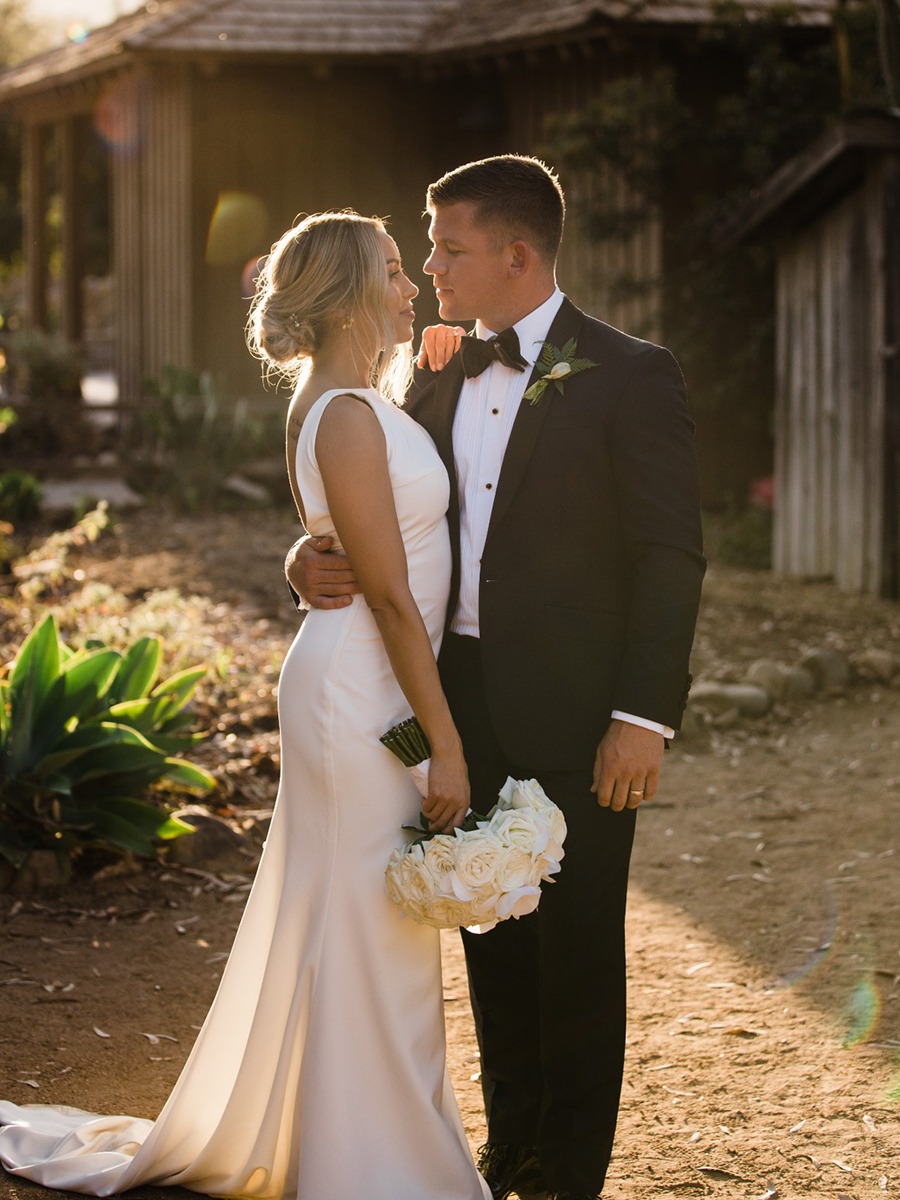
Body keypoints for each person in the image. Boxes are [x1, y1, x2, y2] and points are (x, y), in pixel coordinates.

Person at [0, 211, 491, 1200]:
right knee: (368, 915)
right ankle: (372, 1162)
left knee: (367, 917)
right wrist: (446, 744)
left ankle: (365, 1140)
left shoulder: (357, 400)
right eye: (395, 271)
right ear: (351, 289)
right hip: (361, 690)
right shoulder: (344, 413)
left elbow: (344, 542)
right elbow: (389, 595)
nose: (411, 288)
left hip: (372, 684)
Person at [287, 156, 706, 1200]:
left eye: (448, 248)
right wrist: (304, 555)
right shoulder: (428, 371)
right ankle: (508, 1153)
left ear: (516, 255)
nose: (428, 268)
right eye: (423, 250)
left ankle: (566, 1177)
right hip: (450, 703)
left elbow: (670, 555)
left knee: (575, 951)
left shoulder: (630, 372)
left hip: (580, 711)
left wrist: (642, 717)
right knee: (488, 939)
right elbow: (365, 498)